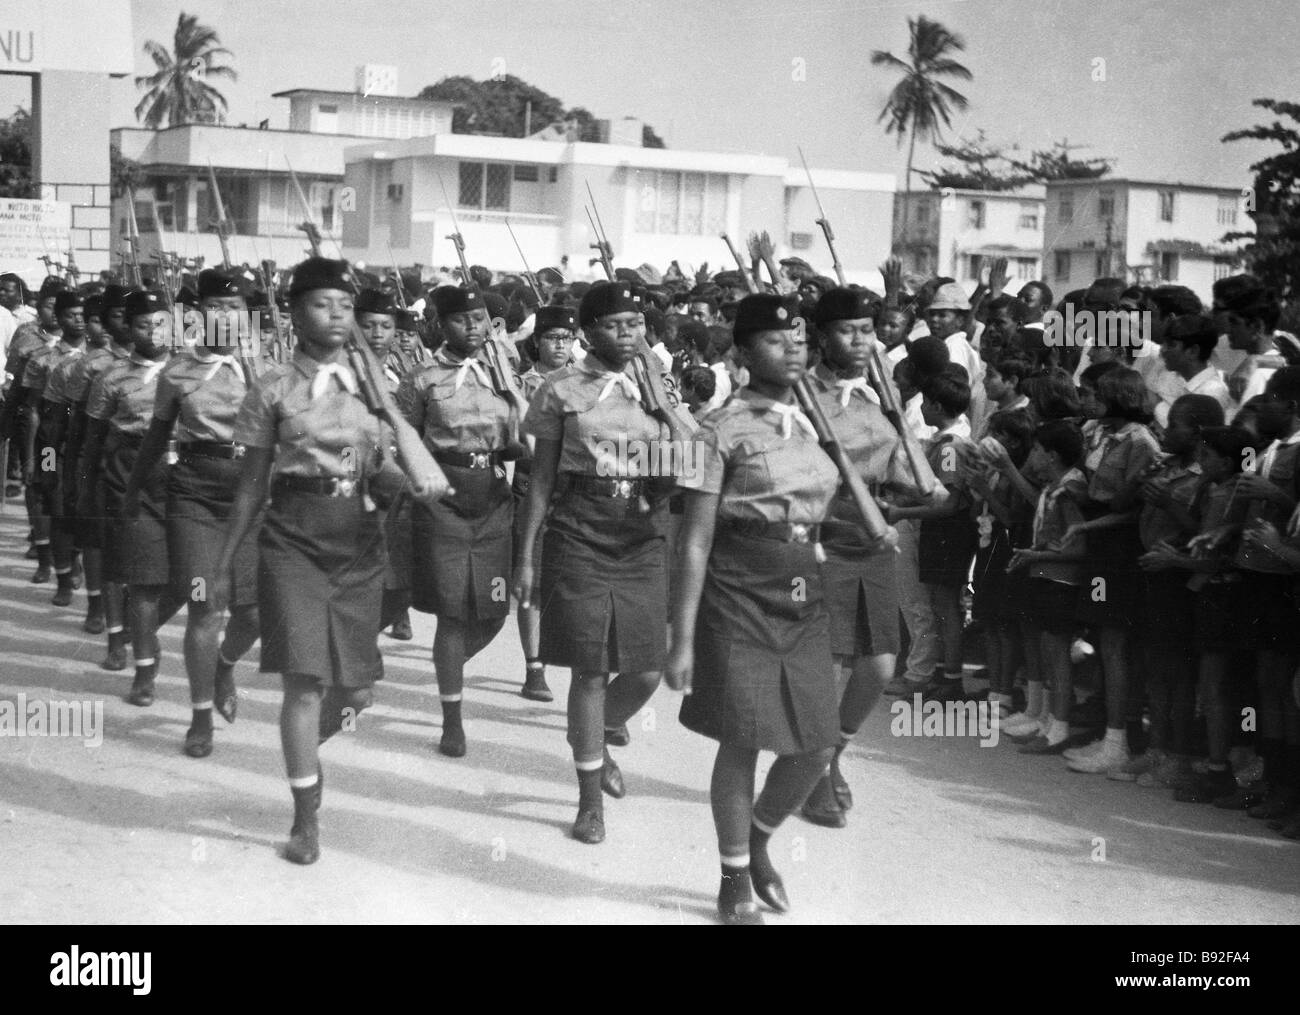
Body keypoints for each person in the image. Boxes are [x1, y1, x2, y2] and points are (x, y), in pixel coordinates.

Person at [213, 256, 449, 865]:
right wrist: (223, 560)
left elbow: (386, 465)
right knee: (305, 683)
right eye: (323, 304)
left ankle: (306, 751)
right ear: (294, 314)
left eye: (345, 306)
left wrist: (413, 481)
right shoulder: (272, 388)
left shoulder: (377, 390)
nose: (338, 315)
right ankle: (304, 818)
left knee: (357, 691)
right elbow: (250, 485)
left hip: (359, 540)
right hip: (292, 538)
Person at [667, 292, 843, 925]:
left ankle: (761, 835)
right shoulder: (715, 431)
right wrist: (681, 638)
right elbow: (693, 539)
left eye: (799, 337)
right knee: (742, 738)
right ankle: (733, 873)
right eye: (774, 340)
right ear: (741, 354)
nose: (792, 347)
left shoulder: (823, 421)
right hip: (738, 589)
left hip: (804, 588)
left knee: (817, 744)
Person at [514, 280, 694, 845]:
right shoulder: (561, 389)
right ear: (589, 331)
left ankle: (606, 725)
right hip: (578, 528)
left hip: (641, 530)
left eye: (636, 325)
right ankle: (589, 800)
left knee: (646, 666)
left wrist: (665, 406)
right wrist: (525, 556)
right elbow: (541, 479)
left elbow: (686, 463)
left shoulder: (658, 386)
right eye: (615, 325)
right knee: (589, 668)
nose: (628, 335)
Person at [121, 269, 267, 757]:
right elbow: (155, 440)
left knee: (254, 615)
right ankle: (200, 715)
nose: (225, 315)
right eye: (215, 306)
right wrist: (132, 491)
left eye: (234, 307)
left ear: (247, 315)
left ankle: (224, 666)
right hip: (195, 497)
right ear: (196, 313)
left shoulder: (269, 366)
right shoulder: (178, 372)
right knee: (205, 603)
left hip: (253, 496)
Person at [802, 288, 922, 828]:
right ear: (821, 336)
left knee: (878, 665)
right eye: (847, 330)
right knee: (827, 665)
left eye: (867, 330)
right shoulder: (801, 396)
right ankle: (814, 772)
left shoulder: (878, 399)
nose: (860, 340)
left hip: (874, 538)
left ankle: (831, 754)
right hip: (822, 533)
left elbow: (899, 470)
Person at [397, 284, 530, 757]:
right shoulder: (422, 378)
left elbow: (518, 446)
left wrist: (517, 412)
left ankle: (446, 665)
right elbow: (405, 440)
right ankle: (452, 719)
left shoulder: (504, 374)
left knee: (494, 609)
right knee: (453, 614)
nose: (472, 327)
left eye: (479, 318)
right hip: (444, 500)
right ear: (441, 323)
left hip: (492, 496)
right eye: (460, 319)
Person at [81, 290, 179, 707]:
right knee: (141, 580)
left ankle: (141, 630)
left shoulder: (190, 372)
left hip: (183, 483)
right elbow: (90, 442)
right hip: (129, 481)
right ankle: (143, 669)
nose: (153, 332)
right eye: (143, 324)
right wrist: (80, 491)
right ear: (128, 328)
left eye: (161, 323)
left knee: (187, 580)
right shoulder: (110, 376)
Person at [1061, 367, 1161, 775]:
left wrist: (1088, 520)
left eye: (1100, 396)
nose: (1092, 403)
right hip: (1100, 542)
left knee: (1116, 642)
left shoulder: (1141, 442)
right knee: (1105, 640)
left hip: (1119, 547)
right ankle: (1111, 733)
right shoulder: (1107, 436)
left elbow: (1129, 505)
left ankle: (1119, 738)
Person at [1120, 394, 1223, 785]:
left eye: (1175, 425)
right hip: (1151, 570)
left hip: (1179, 577)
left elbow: (1204, 531)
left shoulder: (1205, 474)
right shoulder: (1165, 464)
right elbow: (1121, 501)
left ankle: (1177, 756)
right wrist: (1143, 479)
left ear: (1197, 432)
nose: (1166, 431)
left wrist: (1166, 502)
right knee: (1154, 667)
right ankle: (1156, 748)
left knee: (1179, 672)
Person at [512, 304, 576, 702]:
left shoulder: (586, 383)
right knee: (531, 583)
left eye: (568, 339)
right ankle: (534, 666)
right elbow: (516, 435)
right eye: (553, 338)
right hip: (531, 483)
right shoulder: (521, 384)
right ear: (537, 342)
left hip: (573, 491)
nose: (561, 345)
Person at [68, 285, 134, 666]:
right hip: (98, 463)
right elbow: (73, 424)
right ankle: (97, 608)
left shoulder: (168, 363)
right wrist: (69, 476)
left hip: (143, 469)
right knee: (98, 540)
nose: (123, 322)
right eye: (116, 315)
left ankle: (132, 626)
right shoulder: (92, 364)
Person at [356, 287, 415, 642]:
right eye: (369, 325)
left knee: (402, 582)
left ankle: (360, 637)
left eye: (386, 326)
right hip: (355, 484)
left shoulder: (403, 371)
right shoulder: (340, 370)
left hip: (394, 483)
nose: (378, 334)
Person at [23, 290, 88, 605]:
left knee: (81, 511)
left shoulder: (99, 358)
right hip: (52, 444)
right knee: (55, 503)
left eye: (82, 314)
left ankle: (73, 559)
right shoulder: (43, 358)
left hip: (87, 446)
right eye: (70, 314)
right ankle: (59, 574)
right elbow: (34, 410)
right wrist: (34, 459)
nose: (77, 320)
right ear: (58, 319)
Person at [1154, 315, 1232, 427]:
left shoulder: (1212, 394)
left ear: (1193, 351)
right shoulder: (1177, 379)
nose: (1163, 349)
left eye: (1171, 345)